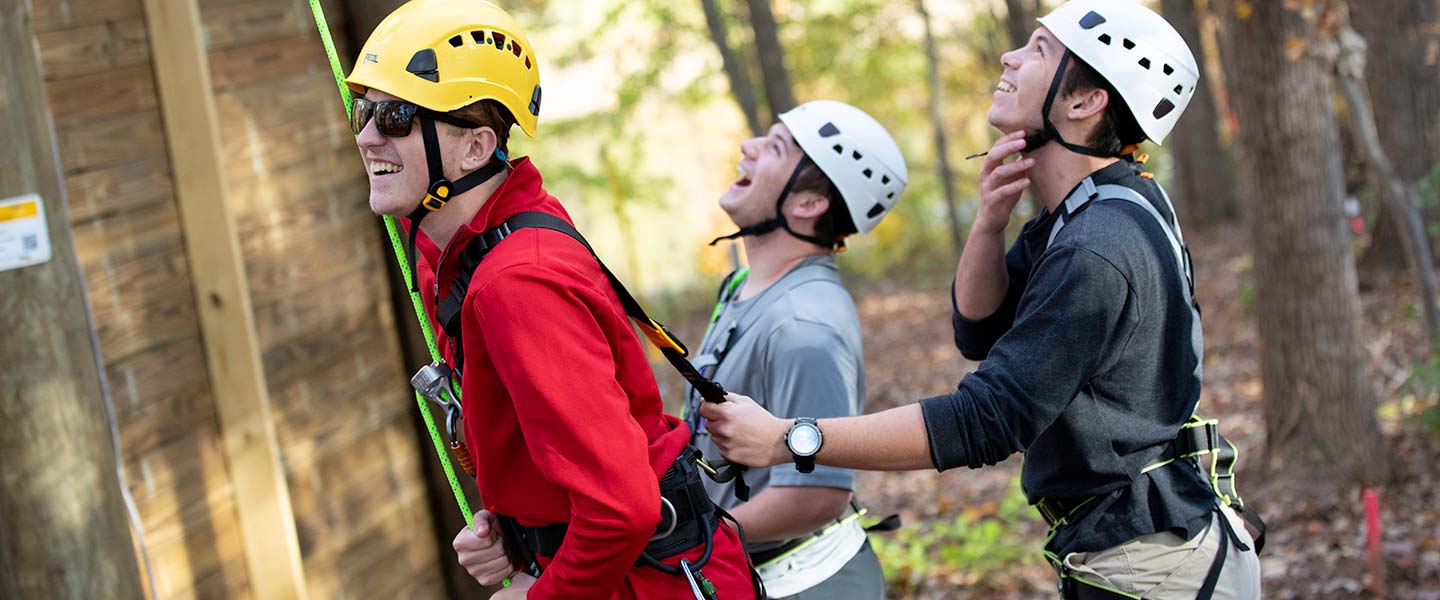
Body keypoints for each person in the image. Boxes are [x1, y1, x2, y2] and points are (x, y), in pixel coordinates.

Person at [700, 1, 1263, 598]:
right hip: (1135, 551)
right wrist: (988, 225)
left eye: (1039, 51)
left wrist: (792, 438)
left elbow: (987, 420)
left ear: (1083, 102)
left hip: (1153, 567)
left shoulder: (1099, 243)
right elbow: (980, 330)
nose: (1008, 56)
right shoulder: (1092, 210)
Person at [346, 1, 756, 597]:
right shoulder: (468, 251)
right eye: (364, 112)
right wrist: (513, 528)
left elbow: (620, 509)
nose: (365, 137)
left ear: (476, 147)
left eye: (395, 116)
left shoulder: (515, 282)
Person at [688, 100, 906, 598]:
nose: (748, 147)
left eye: (775, 147)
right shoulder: (745, 286)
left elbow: (818, 496)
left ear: (807, 204)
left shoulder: (803, 325)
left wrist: (692, 544)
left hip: (806, 583)